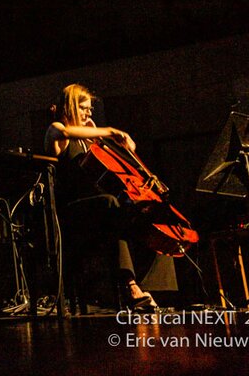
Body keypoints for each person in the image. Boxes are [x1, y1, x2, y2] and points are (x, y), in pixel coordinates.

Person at [45, 83, 173, 311]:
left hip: (100, 212)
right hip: (72, 214)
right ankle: (129, 285)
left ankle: (151, 288)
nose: (89, 113)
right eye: (83, 108)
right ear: (71, 106)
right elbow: (63, 131)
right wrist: (109, 131)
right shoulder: (57, 130)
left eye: (90, 109)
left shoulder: (90, 140)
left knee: (149, 213)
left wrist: (121, 147)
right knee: (110, 203)